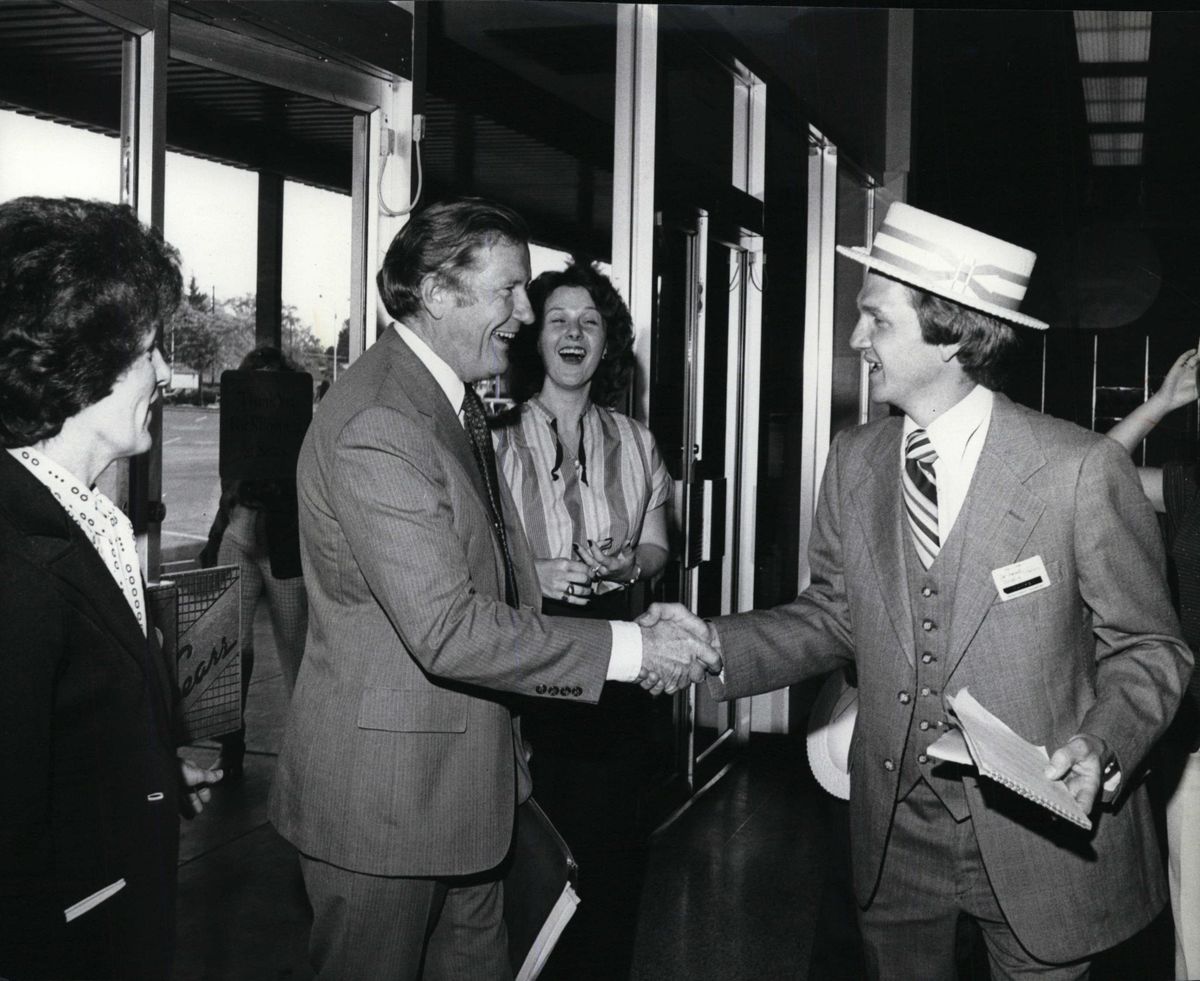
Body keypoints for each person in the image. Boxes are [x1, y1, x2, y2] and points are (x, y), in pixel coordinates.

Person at [641, 201, 1192, 979]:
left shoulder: (1076, 469)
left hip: (1042, 842)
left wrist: (1102, 744)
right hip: (896, 835)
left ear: (952, 335)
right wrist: (709, 642)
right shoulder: (856, 459)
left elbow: (1151, 646)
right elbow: (831, 614)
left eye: (876, 319)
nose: (856, 340)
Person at [268, 197, 720, 979]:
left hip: (474, 796)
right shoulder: (381, 420)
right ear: (440, 291)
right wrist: (634, 645)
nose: (524, 312)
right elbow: (446, 628)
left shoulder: (451, 402)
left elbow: (487, 570)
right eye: (509, 290)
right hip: (390, 811)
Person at [0, 196, 223, 979]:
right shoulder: (18, 564)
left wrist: (146, 769)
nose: (166, 372)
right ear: (80, 354)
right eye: (151, 349)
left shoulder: (79, 517)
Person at [493, 262, 671, 979]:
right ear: (535, 338)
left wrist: (629, 564)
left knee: (615, 854)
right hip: (525, 658)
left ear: (607, 343)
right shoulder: (492, 439)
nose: (573, 332)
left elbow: (658, 544)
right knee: (534, 854)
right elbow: (464, 560)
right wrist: (532, 573)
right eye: (559, 319)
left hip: (616, 664)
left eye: (590, 321)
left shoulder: (635, 440)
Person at [1106, 347, 1200, 981]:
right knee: (1194, 923)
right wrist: (1162, 403)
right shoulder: (1189, 485)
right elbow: (1091, 473)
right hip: (1195, 744)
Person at [200, 345, 310, 779]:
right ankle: (232, 744)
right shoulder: (239, 429)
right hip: (240, 536)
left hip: (283, 544)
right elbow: (226, 492)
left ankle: (307, 747)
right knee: (229, 649)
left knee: (297, 652)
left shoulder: (297, 426)